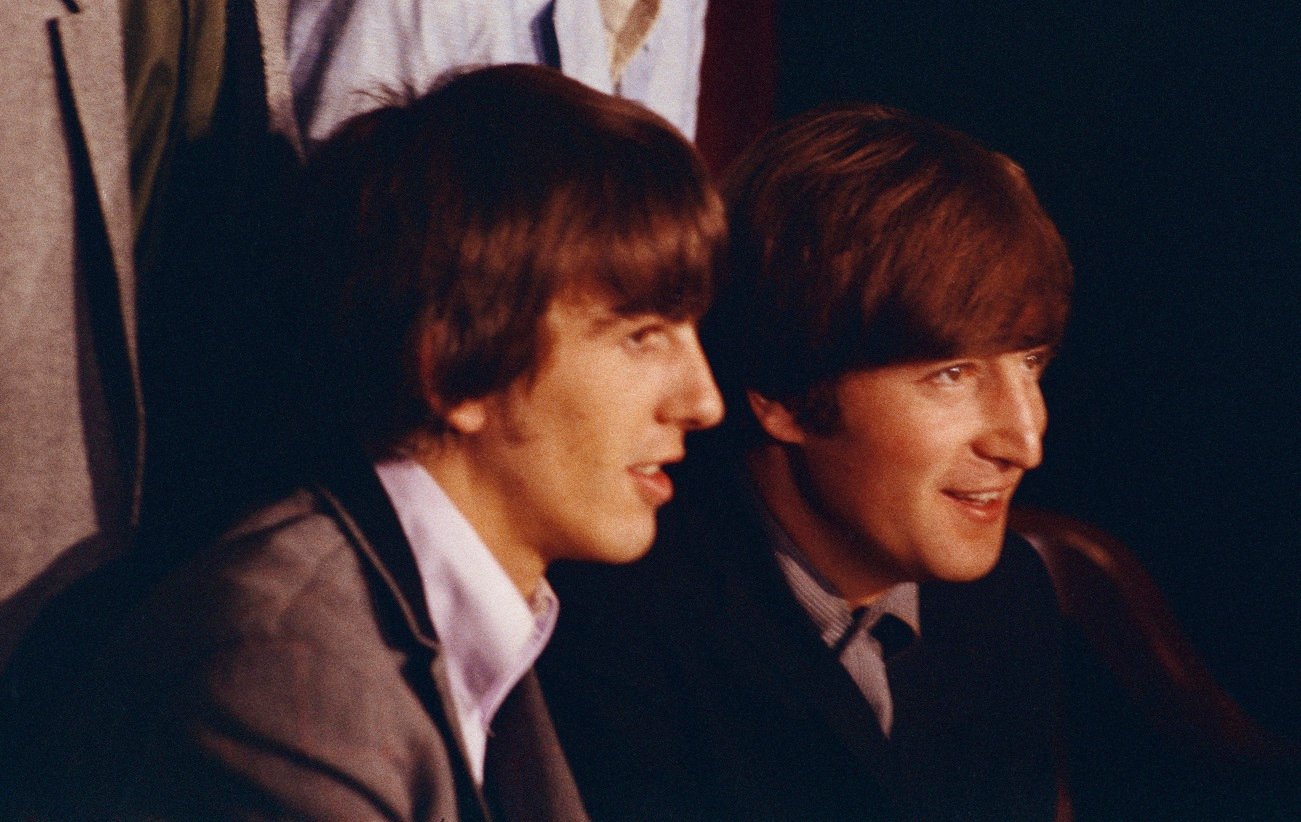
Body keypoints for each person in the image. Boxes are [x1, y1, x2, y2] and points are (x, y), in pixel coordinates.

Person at [55, 64, 724, 820]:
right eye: (642, 336)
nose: (704, 402)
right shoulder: (280, 676)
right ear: (454, 372)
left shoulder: (469, 618)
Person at [539, 103, 1074, 820]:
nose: (1023, 440)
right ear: (785, 396)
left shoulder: (1004, 600)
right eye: (951, 373)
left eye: (1030, 363)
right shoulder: (615, 620)